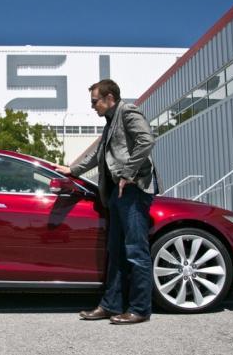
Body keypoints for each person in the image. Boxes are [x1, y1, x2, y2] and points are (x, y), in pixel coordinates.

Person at [55, 79, 158, 324]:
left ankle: (140, 309)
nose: (92, 106)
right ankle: (111, 305)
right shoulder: (110, 122)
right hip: (116, 194)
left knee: (136, 251)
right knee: (116, 252)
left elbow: (146, 140)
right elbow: (97, 154)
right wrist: (73, 170)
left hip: (132, 190)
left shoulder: (127, 112)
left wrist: (128, 173)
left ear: (109, 98)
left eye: (95, 101)